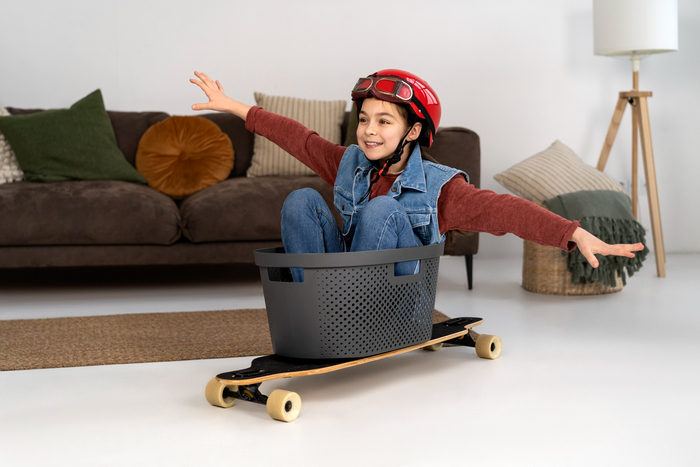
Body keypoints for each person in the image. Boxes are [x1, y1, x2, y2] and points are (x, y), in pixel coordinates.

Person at [190, 69, 644, 281]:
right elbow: (298, 137)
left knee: (381, 209)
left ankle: (353, 311)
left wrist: (572, 233)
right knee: (301, 200)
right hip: (338, 287)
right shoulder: (349, 161)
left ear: (412, 132)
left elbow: (505, 211)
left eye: (384, 121)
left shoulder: (443, 188)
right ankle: (316, 308)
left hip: (396, 293)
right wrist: (234, 107)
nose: (369, 130)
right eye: (364, 119)